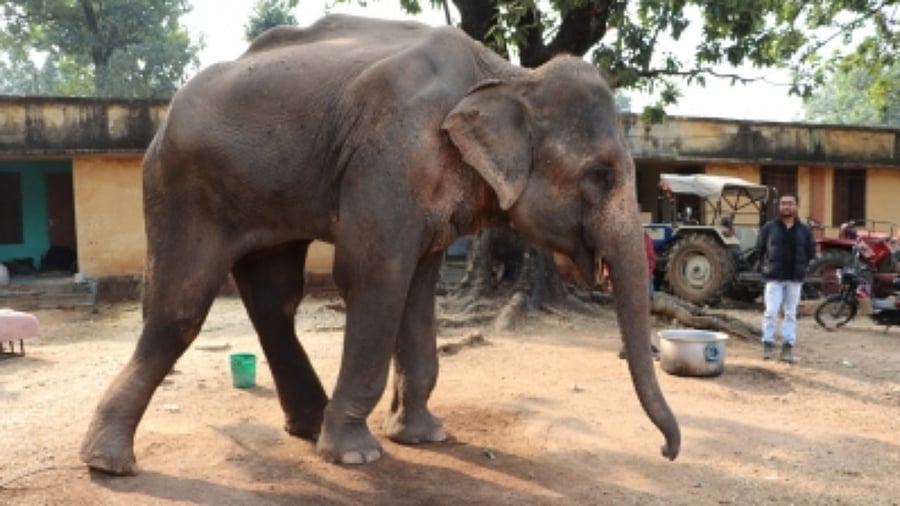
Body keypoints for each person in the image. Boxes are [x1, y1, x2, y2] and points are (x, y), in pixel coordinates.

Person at [755, 193, 816, 362]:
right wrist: (765, 267)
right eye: (783, 203)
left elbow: (811, 252)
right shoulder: (769, 227)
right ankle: (767, 344)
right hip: (774, 277)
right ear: (779, 207)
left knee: (790, 313)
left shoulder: (804, 230)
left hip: (795, 278)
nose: (786, 206)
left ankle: (788, 346)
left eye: (790, 203)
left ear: (796, 206)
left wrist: (803, 266)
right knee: (771, 312)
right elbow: (759, 250)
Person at [618, 231, 658, 359]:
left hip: (639, 278)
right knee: (629, 314)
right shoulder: (630, 237)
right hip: (631, 279)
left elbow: (650, 259)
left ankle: (643, 345)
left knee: (639, 314)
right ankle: (629, 346)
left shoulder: (642, 237)